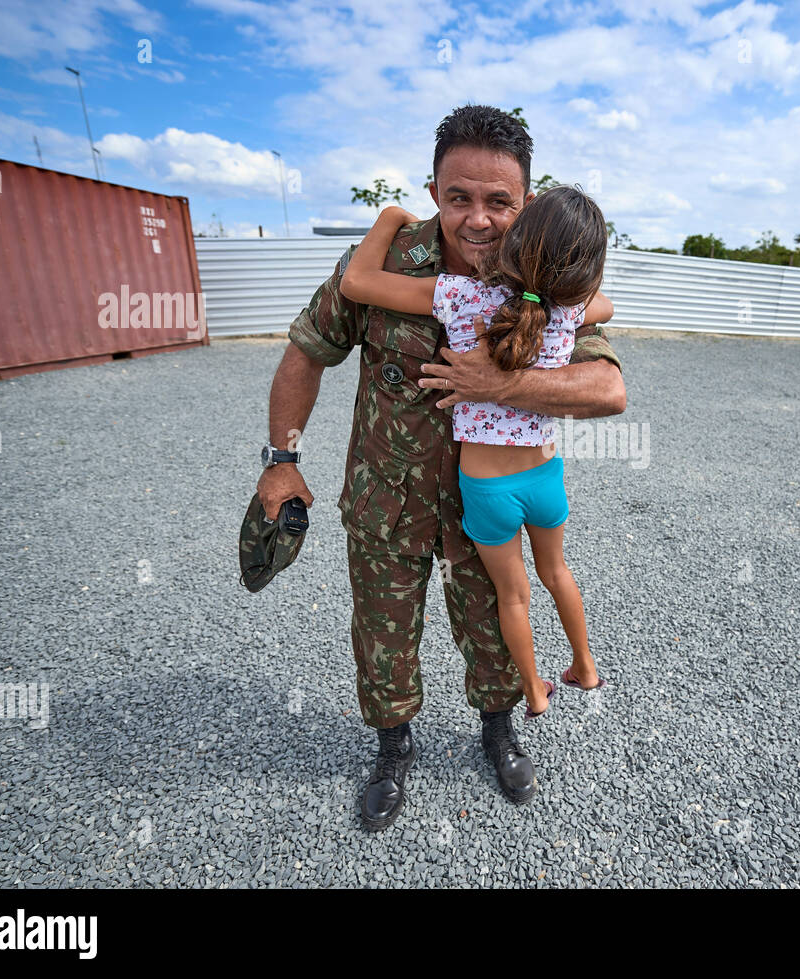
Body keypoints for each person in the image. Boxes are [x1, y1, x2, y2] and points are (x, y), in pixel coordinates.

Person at [255, 105, 625, 830]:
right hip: (384, 500)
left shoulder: (549, 270)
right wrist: (281, 461)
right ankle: (392, 749)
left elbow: (607, 388)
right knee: (383, 632)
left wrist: (499, 382)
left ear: (525, 201)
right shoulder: (386, 263)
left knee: (492, 626)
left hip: (484, 505)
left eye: (499, 201)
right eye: (460, 197)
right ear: (433, 191)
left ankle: (498, 730)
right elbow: (306, 350)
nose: (479, 219)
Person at [339, 186, 609, 721]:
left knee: (513, 598)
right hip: (544, 476)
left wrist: (392, 216)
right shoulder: (567, 307)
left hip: (486, 490)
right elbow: (605, 302)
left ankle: (534, 692)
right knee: (558, 574)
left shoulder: (459, 296)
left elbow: (356, 282)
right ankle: (585, 666)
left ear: (516, 242)